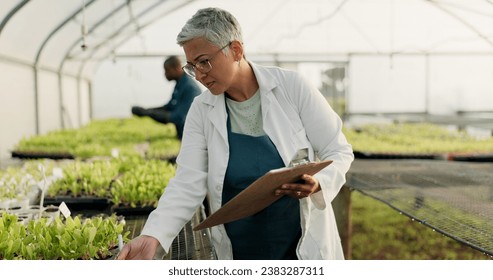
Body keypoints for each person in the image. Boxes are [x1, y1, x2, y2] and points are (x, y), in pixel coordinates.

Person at [118, 7, 354, 260]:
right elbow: (188, 181)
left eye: (204, 61)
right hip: (240, 248)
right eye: (191, 66)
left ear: (236, 50)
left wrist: (320, 182)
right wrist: (153, 235)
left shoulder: (291, 88)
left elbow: (338, 150)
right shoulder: (202, 109)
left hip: (298, 244)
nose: (198, 75)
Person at [131, 55, 201, 139]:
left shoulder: (189, 88)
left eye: (167, 70)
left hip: (193, 138)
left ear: (177, 68)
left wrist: (148, 113)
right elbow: (169, 107)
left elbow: (178, 118)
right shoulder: (180, 85)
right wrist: (146, 111)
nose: (165, 74)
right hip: (183, 136)